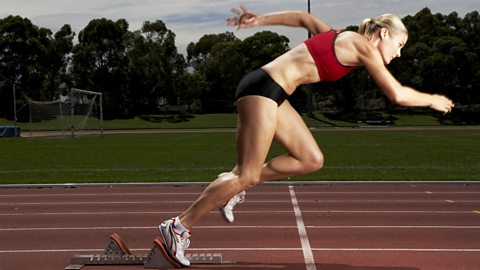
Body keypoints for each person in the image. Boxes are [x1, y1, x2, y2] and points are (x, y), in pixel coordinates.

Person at [157, 6, 454, 267]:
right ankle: (178, 226)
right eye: (399, 44)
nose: (399, 53)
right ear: (384, 34)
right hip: (261, 90)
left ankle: (237, 183)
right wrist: (433, 100)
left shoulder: (340, 36)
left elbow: (304, 17)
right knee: (244, 174)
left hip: (274, 93)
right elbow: (396, 94)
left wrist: (260, 20)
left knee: (310, 159)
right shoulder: (361, 45)